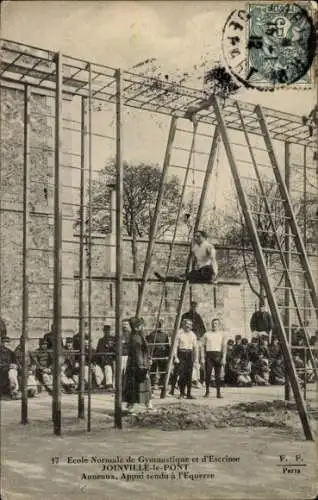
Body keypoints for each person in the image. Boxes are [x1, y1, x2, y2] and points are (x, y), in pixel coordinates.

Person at [124, 317, 152, 413]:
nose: (143, 327)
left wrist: (148, 359)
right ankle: (132, 405)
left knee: (140, 384)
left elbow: (145, 351)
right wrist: (142, 366)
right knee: (137, 384)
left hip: (140, 363)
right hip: (137, 365)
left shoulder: (139, 336)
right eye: (141, 326)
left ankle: (147, 403)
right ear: (136, 327)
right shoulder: (136, 339)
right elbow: (138, 354)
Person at [181, 301, 206, 387]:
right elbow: (181, 328)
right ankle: (185, 380)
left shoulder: (198, 317)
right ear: (190, 306)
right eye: (192, 306)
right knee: (185, 362)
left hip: (195, 340)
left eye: (195, 306)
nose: (194, 308)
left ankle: (196, 379)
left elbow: (203, 329)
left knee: (196, 360)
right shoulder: (185, 316)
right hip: (186, 341)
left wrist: (197, 337)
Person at [201, 318, 227, 398]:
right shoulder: (207, 334)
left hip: (218, 355)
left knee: (218, 375)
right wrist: (202, 357)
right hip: (209, 355)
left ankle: (218, 393)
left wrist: (224, 358)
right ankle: (207, 391)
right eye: (213, 323)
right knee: (208, 374)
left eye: (216, 323)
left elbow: (224, 347)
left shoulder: (222, 334)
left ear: (219, 325)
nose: (214, 325)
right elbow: (202, 346)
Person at [173, 318, 198, 399]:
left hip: (189, 354)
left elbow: (195, 348)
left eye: (190, 325)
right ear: (183, 324)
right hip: (181, 354)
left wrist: (196, 359)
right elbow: (175, 346)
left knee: (189, 375)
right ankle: (181, 393)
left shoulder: (193, 334)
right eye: (187, 324)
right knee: (182, 375)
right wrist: (175, 357)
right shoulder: (179, 333)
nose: (188, 326)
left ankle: (189, 394)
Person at [146, 319, 170, 393]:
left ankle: (163, 389)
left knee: (163, 372)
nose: (160, 327)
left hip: (162, 356)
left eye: (161, 325)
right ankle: (151, 389)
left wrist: (167, 355)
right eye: (159, 325)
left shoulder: (165, 335)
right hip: (154, 356)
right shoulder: (152, 334)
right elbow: (149, 346)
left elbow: (167, 346)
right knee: (152, 372)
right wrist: (149, 356)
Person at [96, 325, 116, 390]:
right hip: (104, 360)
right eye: (105, 331)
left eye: (108, 331)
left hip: (112, 359)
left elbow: (116, 350)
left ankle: (111, 385)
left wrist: (112, 346)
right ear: (103, 331)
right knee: (105, 367)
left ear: (110, 331)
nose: (107, 332)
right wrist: (104, 360)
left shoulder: (114, 339)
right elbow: (99, 352)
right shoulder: (101, 340)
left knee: (110, 367)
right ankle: (105, 384)